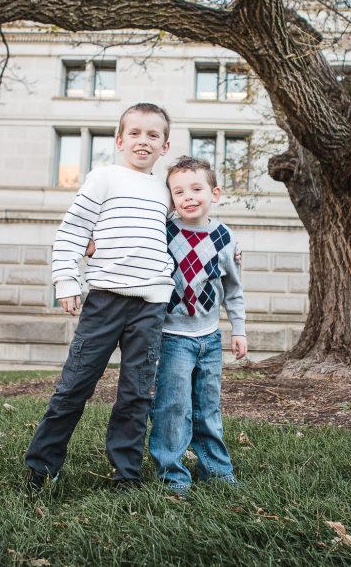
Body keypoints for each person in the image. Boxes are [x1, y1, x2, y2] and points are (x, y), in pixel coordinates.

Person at [24, 102, 174, 493]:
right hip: (105, 299)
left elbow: (184, 230)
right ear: (120, 140)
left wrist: (228, 245)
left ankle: (125, 474)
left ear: (165, 145)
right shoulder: (104, 177)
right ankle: (41, 468)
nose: (144, 141)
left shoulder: (166, 191)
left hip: (152, 304)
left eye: (153, 135)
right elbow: (73, 230)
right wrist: (66, 281)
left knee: (136, 392)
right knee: (74, 385)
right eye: (136, 134)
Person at [149, 156, 248, 497]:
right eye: (179, 192)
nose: (188, 196)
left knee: (208, 408)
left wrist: (239, 329)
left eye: (196, 188)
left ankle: (217, 472)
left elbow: (233, 290)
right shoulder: (162, 231)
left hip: (209, 337)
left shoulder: (225, 238)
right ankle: (173, 476)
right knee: (172, 408)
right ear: (170, 198)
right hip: (172, 337)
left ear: (214, 193)